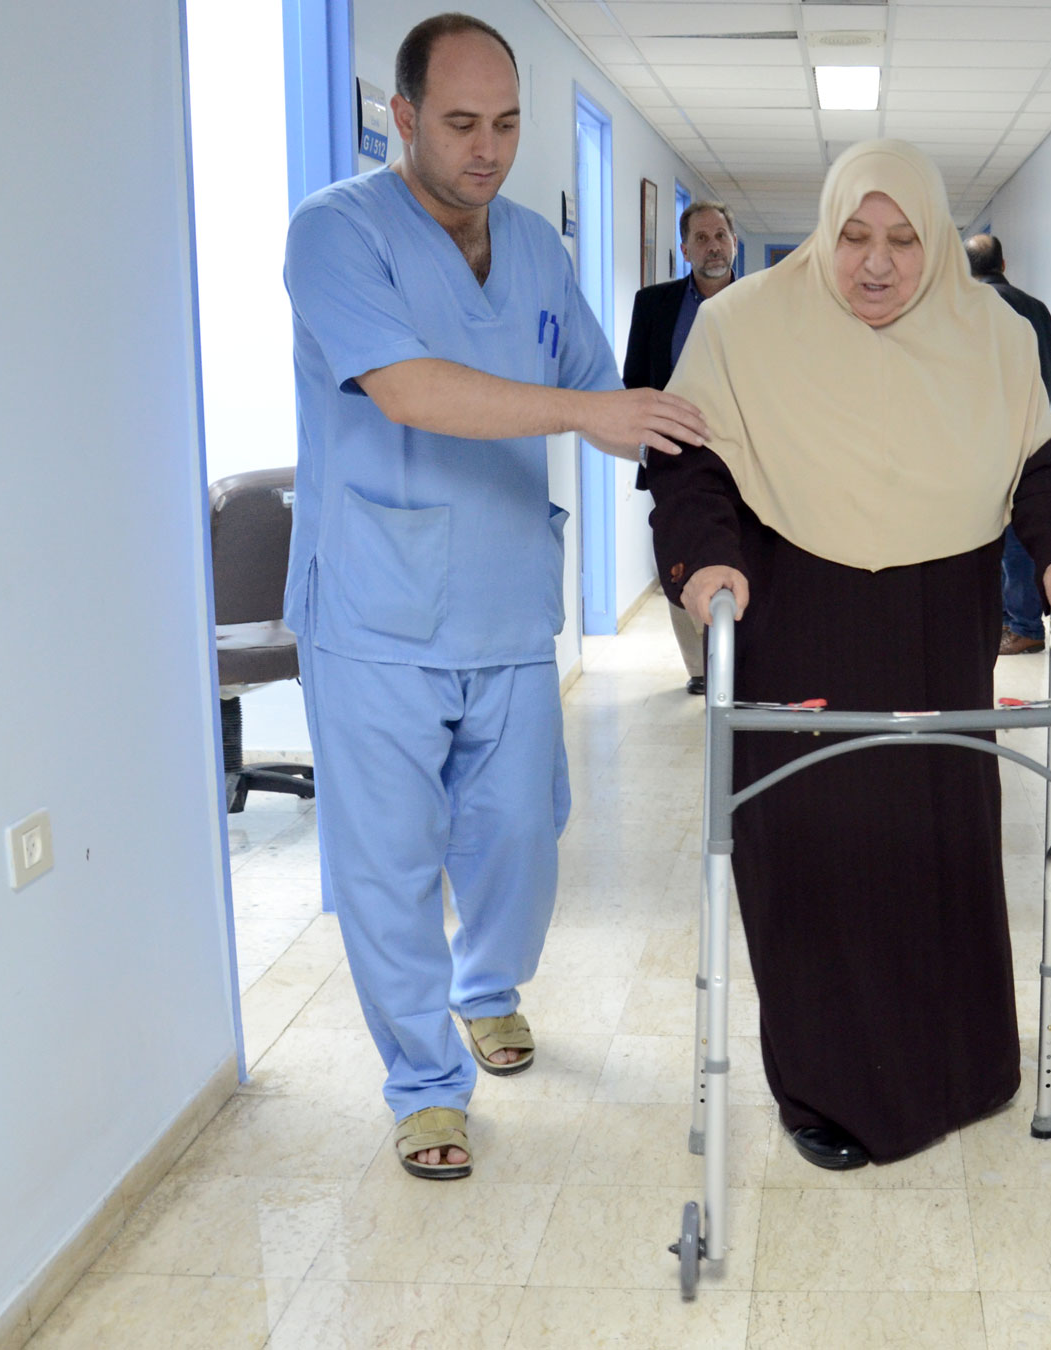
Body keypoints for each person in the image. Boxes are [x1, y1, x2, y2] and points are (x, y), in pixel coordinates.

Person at [282, 12, 705, 1179]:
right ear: (402, 117)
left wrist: (709, 442)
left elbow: (602, 393)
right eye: (460, 124)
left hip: (508, 601)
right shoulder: (335, 233)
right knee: (387, 860)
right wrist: (587, 414)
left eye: (508, 123)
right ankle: (424, 1084)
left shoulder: (532, 247)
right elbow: (409, 389)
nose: (488, 149)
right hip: (375, 605)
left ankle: (487, 983)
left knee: (522, 832)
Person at [648, 141, 1051, 1170]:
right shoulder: (739, 329)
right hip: (793, 615)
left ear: (937, 242)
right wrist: (707, 565)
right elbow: (688, 471)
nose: (876, 264)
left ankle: (964, 1065)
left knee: (931, 845)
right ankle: (825, 1090)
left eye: (904, 240)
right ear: (824, 231)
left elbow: (1038, 464)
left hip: (930, 628)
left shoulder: (988, 336)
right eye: (853, 235)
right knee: (813, 851)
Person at [623, 199, 739, 695]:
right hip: (675, 456)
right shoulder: (654, 304)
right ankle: (699, 666)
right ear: (685, 248)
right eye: (702, 238)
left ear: (733, 242)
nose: (713, 246)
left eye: (721, 236)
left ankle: (735, 656)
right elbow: (636, 381)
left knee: (736, 551)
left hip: (742, 455)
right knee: (678, 552)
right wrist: (646, 449)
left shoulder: (758, 299)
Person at [965, 233, 1051, 658]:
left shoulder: (968, 308)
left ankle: (1021, 626)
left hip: (984, 439)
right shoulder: (1036, 308)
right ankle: (1016, 621)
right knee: (1022, 528)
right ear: (1003, 265)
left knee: (997, 536)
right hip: (1032, 433)